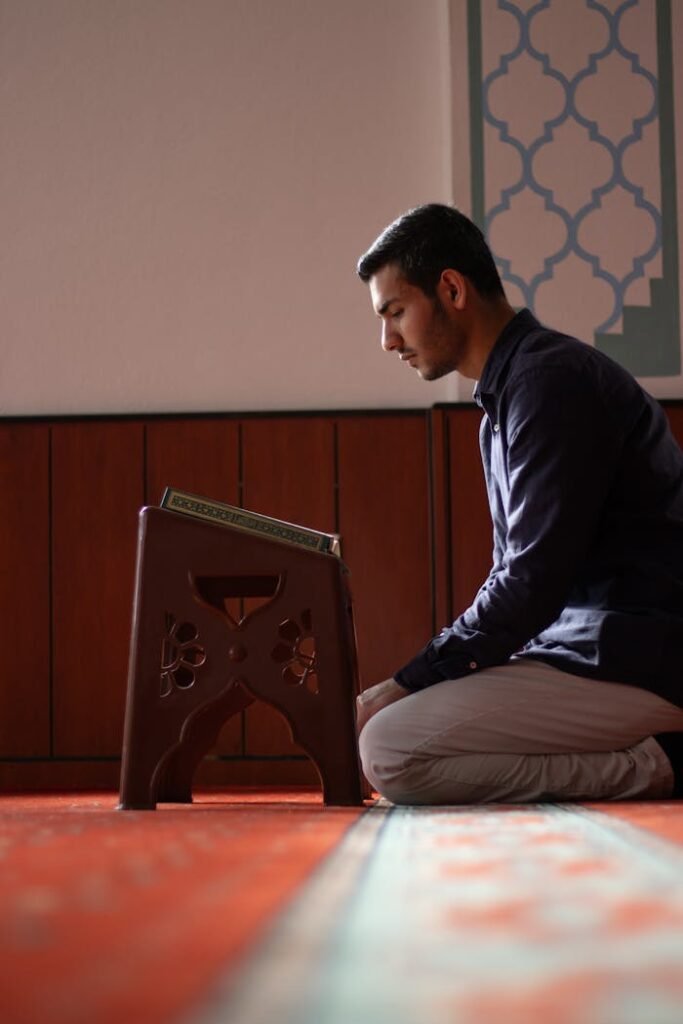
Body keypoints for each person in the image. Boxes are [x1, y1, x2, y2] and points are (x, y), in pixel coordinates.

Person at [355, 202, 683, 805]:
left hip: (639, 658)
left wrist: (406, 681)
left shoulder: (549, 382)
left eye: (396, 311)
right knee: (389, 737)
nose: (388, 340)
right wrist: (428, 678)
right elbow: (514, 578)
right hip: (578, 653)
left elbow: (529, 584)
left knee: (389, 749)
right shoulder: (507, 401)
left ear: (451, 288)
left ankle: (660, 766)